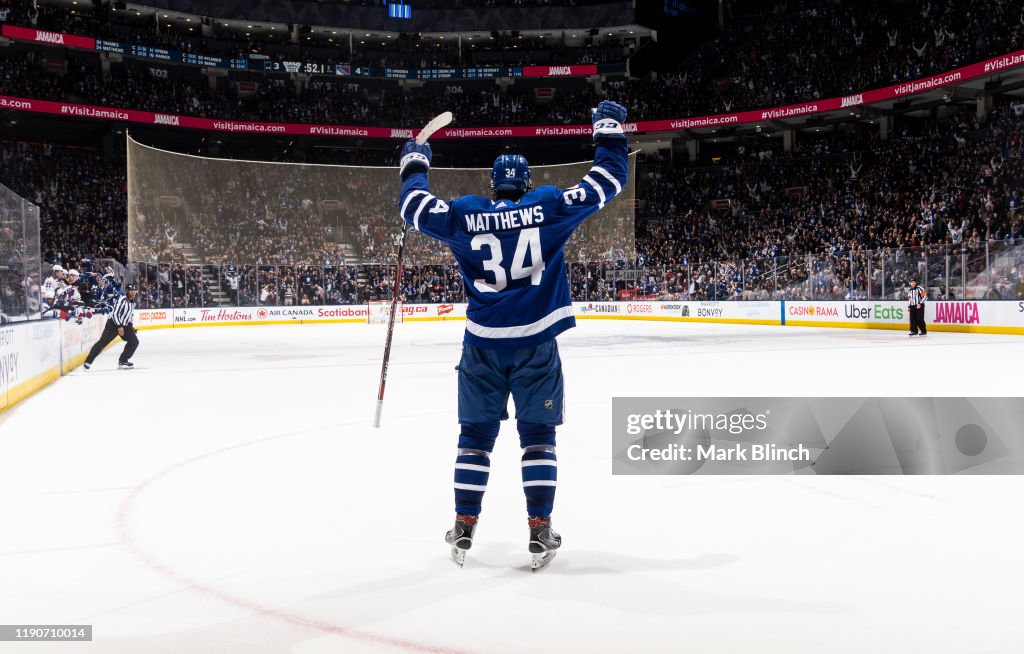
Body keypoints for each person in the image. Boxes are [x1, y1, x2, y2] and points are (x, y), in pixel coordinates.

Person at [398, 100, 629, 570]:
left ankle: (464, 523)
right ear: (524, 182)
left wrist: (415, 163)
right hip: (537, 345)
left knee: (475, 437)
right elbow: (607, 181)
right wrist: (608, 131)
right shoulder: (546, 207)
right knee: (538, 438)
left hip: (482, 346)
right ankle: (540, 529)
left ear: (493, 184)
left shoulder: (465, 214)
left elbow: (413, 207)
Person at [83, 284, 139, 370]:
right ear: (127, 291)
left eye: (134, 290)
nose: (133, 292)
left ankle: (123, 361)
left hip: (124, 325)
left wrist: (131, 327)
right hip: (113, 324)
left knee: (134, 341)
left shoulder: (132, 303)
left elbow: (129, 316)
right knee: (103, 342)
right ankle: (88, 361)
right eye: (131, 290)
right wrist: (119, 326)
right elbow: (115, 314)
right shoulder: (122, 300)